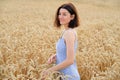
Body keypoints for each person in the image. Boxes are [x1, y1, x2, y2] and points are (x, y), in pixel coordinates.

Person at [42, 3, 80, 80]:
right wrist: (57, 55)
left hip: (69, 76)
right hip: (62, 75)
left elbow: (70, 60)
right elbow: (67, 51)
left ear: (72, 17)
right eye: (59, 14)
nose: (60, 17)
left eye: (64, 14)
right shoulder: (65, 32)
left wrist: (49, 70)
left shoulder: (69, 33)